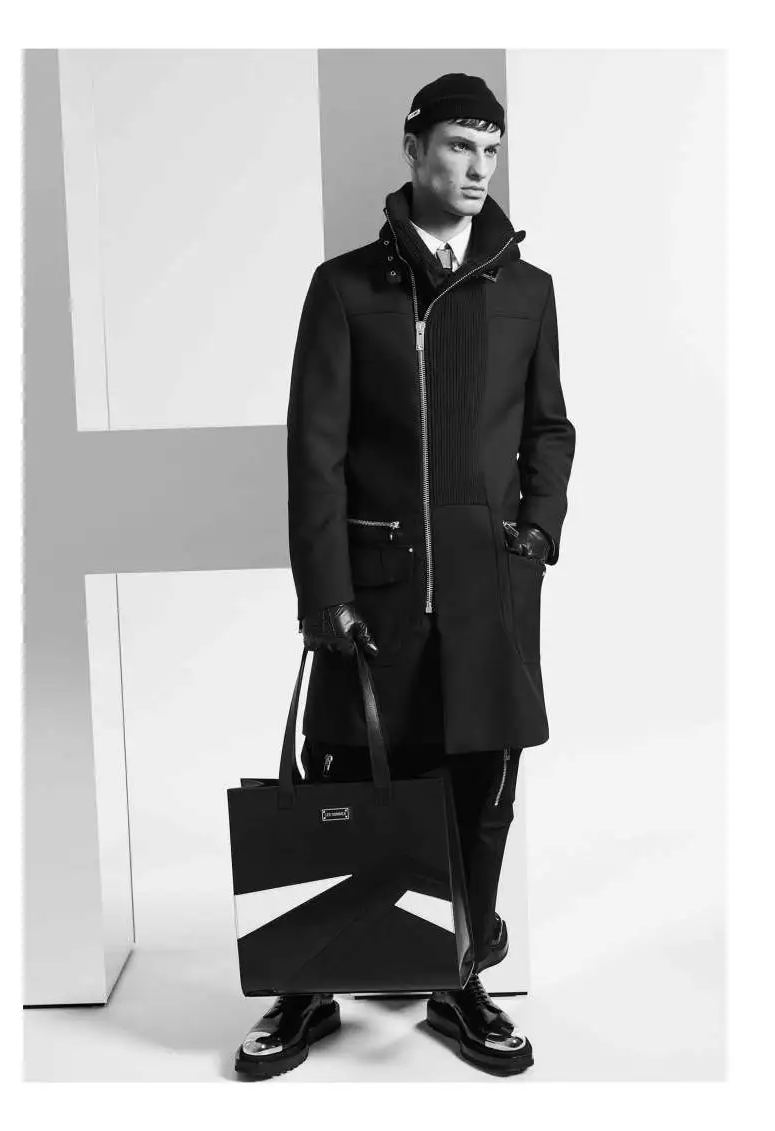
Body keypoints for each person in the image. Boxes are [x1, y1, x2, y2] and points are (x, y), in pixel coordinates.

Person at [235, 72, 576, 1079]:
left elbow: (549, 428)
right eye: (460, 146)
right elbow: (315, 454)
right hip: (375, 590)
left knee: (479, 785)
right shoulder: (346, 288)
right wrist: (324, 594)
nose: (477, 169)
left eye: (490, 150)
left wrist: (536, 533)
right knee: (344, 775)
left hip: (489, 590)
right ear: (413, 148)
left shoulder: (527, 291)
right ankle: (309, 987)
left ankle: (457, 981)